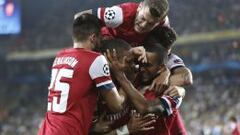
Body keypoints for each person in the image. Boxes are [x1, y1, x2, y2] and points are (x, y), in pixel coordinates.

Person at [38, 14, 125, 135]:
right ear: (93, 37)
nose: (101, 42)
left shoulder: (60, 56)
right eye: (100, 38)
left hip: (46, 130)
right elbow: (117, 105)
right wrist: (125, 78)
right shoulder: (96, 59)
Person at [74, 0, 170, 45]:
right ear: (139, 7)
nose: (143, 25)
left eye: (151, 24)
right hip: (107, 42)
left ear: (160, 21)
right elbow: (78, 17)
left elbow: (166, 50)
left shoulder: (164, 25)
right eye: (143, 18)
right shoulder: (118, 15)